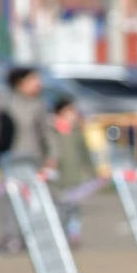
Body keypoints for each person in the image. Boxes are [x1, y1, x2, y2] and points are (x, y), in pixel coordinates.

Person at [0, 65, 52, 252]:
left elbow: (47, 133)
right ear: (20, 82)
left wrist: (51, 156)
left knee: (33, 199)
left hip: (32, 159)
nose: (38, 84)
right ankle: (11, 236)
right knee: (9, 199)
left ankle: (32, 234)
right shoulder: (3, 102)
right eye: (33, 79)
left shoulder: (39, 105)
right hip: (8, 158)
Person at [43, 95, 97, 247]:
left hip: (74, 176)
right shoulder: (49, 129)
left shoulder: (76, 130)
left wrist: (92, 171)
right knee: (58, 207)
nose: (73, 114)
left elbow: (84, 152)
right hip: (56, 178)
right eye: (69, 111)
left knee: (74, 208)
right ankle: (58, 234)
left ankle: (73, 234)